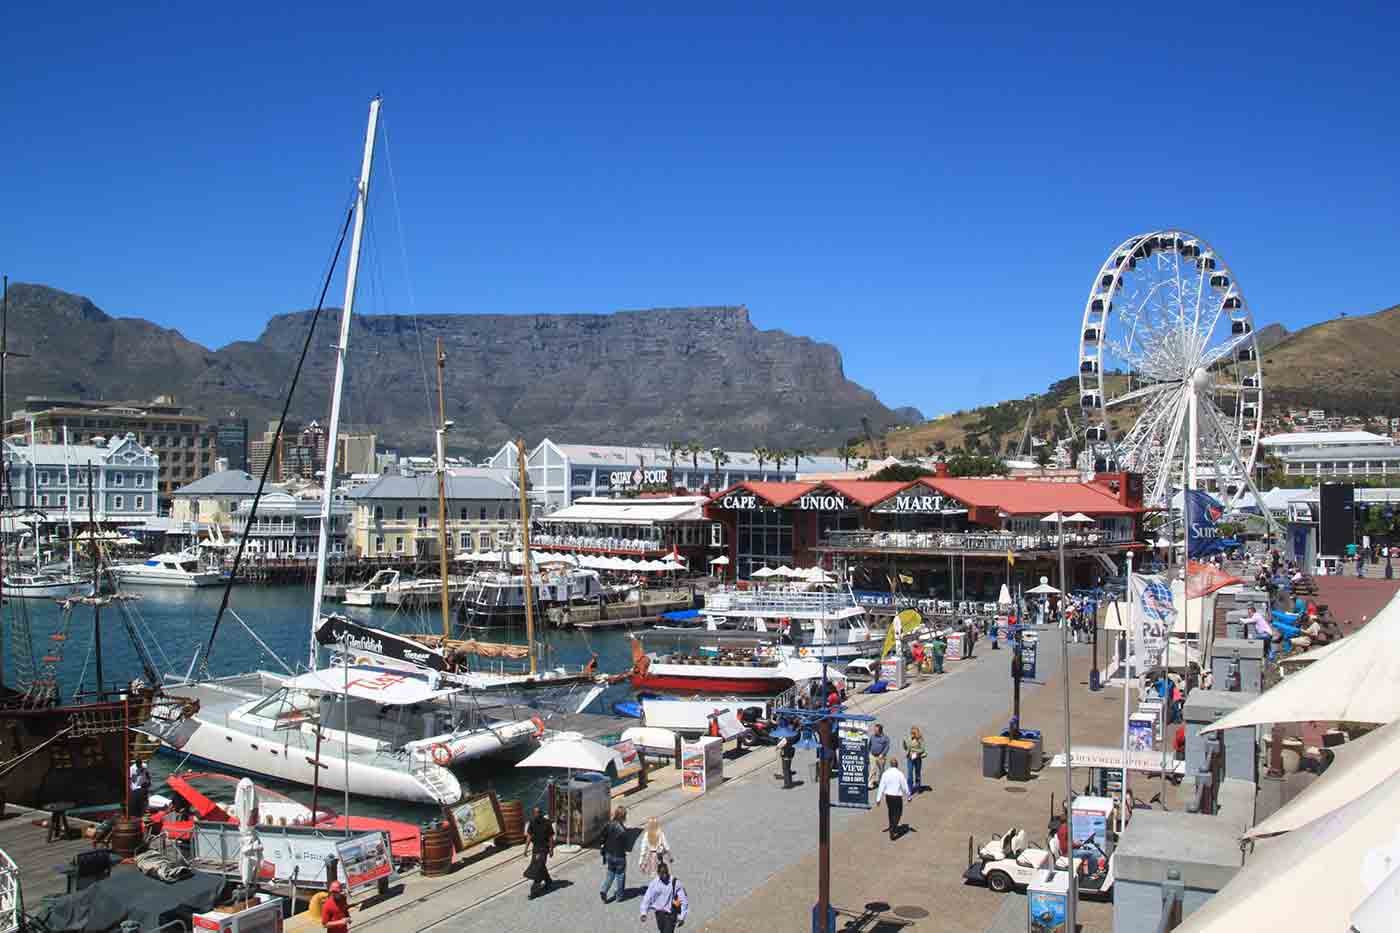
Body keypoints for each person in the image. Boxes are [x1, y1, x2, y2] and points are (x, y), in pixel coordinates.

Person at [638, 859, 688, 932]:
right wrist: (643, 913)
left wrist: (682, 917)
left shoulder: (675, 883)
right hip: (659, 914)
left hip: (671, 914)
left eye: (666, 873)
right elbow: (647, 898)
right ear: (658, 873)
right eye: (662, 873)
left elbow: (684, 900)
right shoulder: (654, 884)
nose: (664, 875)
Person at [875, 755, 911, 840]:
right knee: (898, 812)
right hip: (897, 796)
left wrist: (878, 799)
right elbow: (904, 786)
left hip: (888, 796)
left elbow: (881, 786)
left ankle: (891, 826)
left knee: (891, 812)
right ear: (897, 765)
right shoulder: (900, 774)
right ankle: (893, 827)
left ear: (890, 765)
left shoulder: (885, 773)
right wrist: (909, 795)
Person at [522, 806, 554, 898]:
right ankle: (549, 882)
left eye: (539, 812)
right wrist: (525, 849)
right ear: (534, 813)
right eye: (536, 813)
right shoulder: (532, 822)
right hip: (536, 849)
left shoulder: (547, 823)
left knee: (537, 869)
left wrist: (551, 850)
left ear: (541, 813)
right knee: (541, 867)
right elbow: (529, 836)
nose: (537, 814)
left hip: (544, 849)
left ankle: (534, 892)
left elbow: (551, 838)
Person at [599, 806, 629, 903]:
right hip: (619, 856)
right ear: (623, 816)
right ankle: (619, 896)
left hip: (609, 854)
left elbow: (602, 836)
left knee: (610, 873)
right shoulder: (623, 830)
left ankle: (604, 890)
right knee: (620, 875)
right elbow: (627, 846)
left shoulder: (609, 824)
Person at [903, 727, 927, 794]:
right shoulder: (909, 739)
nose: (911, 734)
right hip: (910, 758)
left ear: (915, 733)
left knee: (917, 773)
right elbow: (906, 748)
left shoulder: (920, 740)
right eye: (911, 733)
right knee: (910, 773)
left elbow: (922, 749)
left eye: (912, 733)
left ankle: (918, 787)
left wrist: (914, 751)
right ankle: (910, 788)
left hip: (917, 758)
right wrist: (904, 744)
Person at [868, 724, 890, 789]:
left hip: (881, 756)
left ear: (880, 731)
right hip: (872, 755)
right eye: (874, 730)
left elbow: (887, 747)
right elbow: (869, 745)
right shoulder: (872, 736)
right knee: (872, 769)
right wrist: (868, 752)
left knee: (881, 771)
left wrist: (882, 754)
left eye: (876, 730)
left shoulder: (885, 738)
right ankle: (870, 784)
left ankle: (881, 782)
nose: (874, 731)